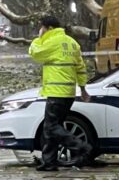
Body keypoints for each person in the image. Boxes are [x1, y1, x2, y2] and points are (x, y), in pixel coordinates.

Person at [28, 16, 92, 171]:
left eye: (42, 28)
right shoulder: (72, 43)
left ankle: (80, 146)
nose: (41, 31)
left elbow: (35, 53)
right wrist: (83, 88)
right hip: (68, 93)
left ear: (49, 28)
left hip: (56, 92)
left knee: (50, 127)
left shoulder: (52, 42)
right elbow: (81, 68)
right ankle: (49, 162)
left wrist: (37, 39)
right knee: (52, 128)